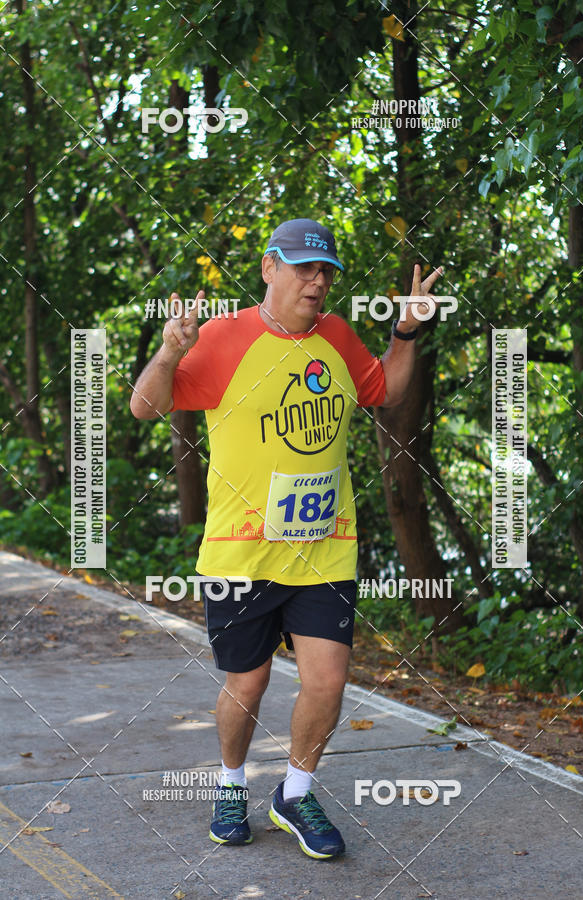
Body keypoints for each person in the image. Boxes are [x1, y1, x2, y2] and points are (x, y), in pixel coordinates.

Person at [130, 218, 443, 859]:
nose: (317, 280)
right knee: (248, 683)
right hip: (242, 550)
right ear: (270, 268)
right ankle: (230, 784)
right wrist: (169, 351)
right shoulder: (222, 338)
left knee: (328, 680)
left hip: (325, 546)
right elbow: (147, 407)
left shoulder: (335, 335)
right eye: (304, 267)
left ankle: (295, 793)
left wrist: (406, 330)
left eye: (326, 270)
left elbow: (383, 388)